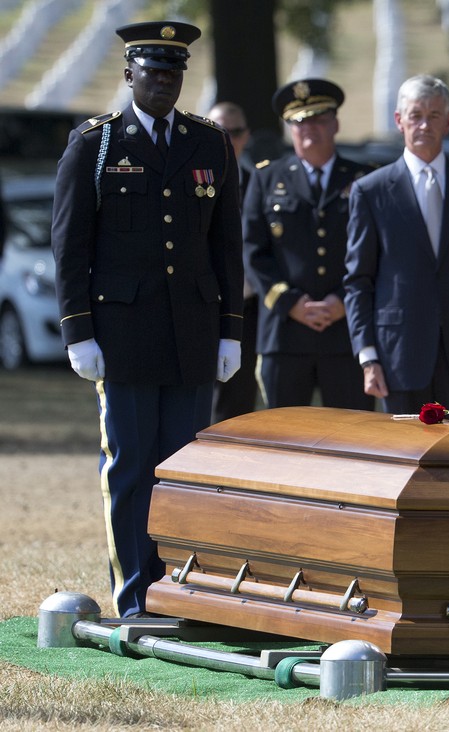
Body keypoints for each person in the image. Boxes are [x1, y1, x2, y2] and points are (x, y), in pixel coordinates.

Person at [50, 21, 244, 618]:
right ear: (129, 74)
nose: (163, 83)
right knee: (132, 465)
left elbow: (225, 246)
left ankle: (182, 594)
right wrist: (79, 331)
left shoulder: (208, 143)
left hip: (191, 333)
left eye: (173, 73)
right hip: (124, 337)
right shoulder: (97, 143)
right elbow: (69, 245)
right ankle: (136, 598)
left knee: (182, 469)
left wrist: (231, 329)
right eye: (152, 72)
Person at [344, 74, 449, 414]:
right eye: (416, 115)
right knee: (402, 460)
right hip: (398, 356)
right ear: (399, 120)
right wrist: (368, 356)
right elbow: (359, 280)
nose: (424, 124)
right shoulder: (371, 191)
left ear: (448, 122)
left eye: (434, 115)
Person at [243, 78, 373, 410]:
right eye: (299, 121)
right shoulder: (266, 178)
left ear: (336, 124)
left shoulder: (364, 180)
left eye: (318, 118)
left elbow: (377, 251)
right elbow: (252, 251)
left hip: (347, 332)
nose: (308, 128)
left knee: (353, 441)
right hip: (285, 334)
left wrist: (344, 301)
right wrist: (290, 303)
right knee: (284, 444)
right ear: (289, 129)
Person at [208, 101, 259, 422]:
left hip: (247, 307)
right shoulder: (190, 181)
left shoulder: (263, 183)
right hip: (201, 304)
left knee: (238, 401)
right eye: (218, 131)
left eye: (235, 132)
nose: (227, 139)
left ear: (247, 136)